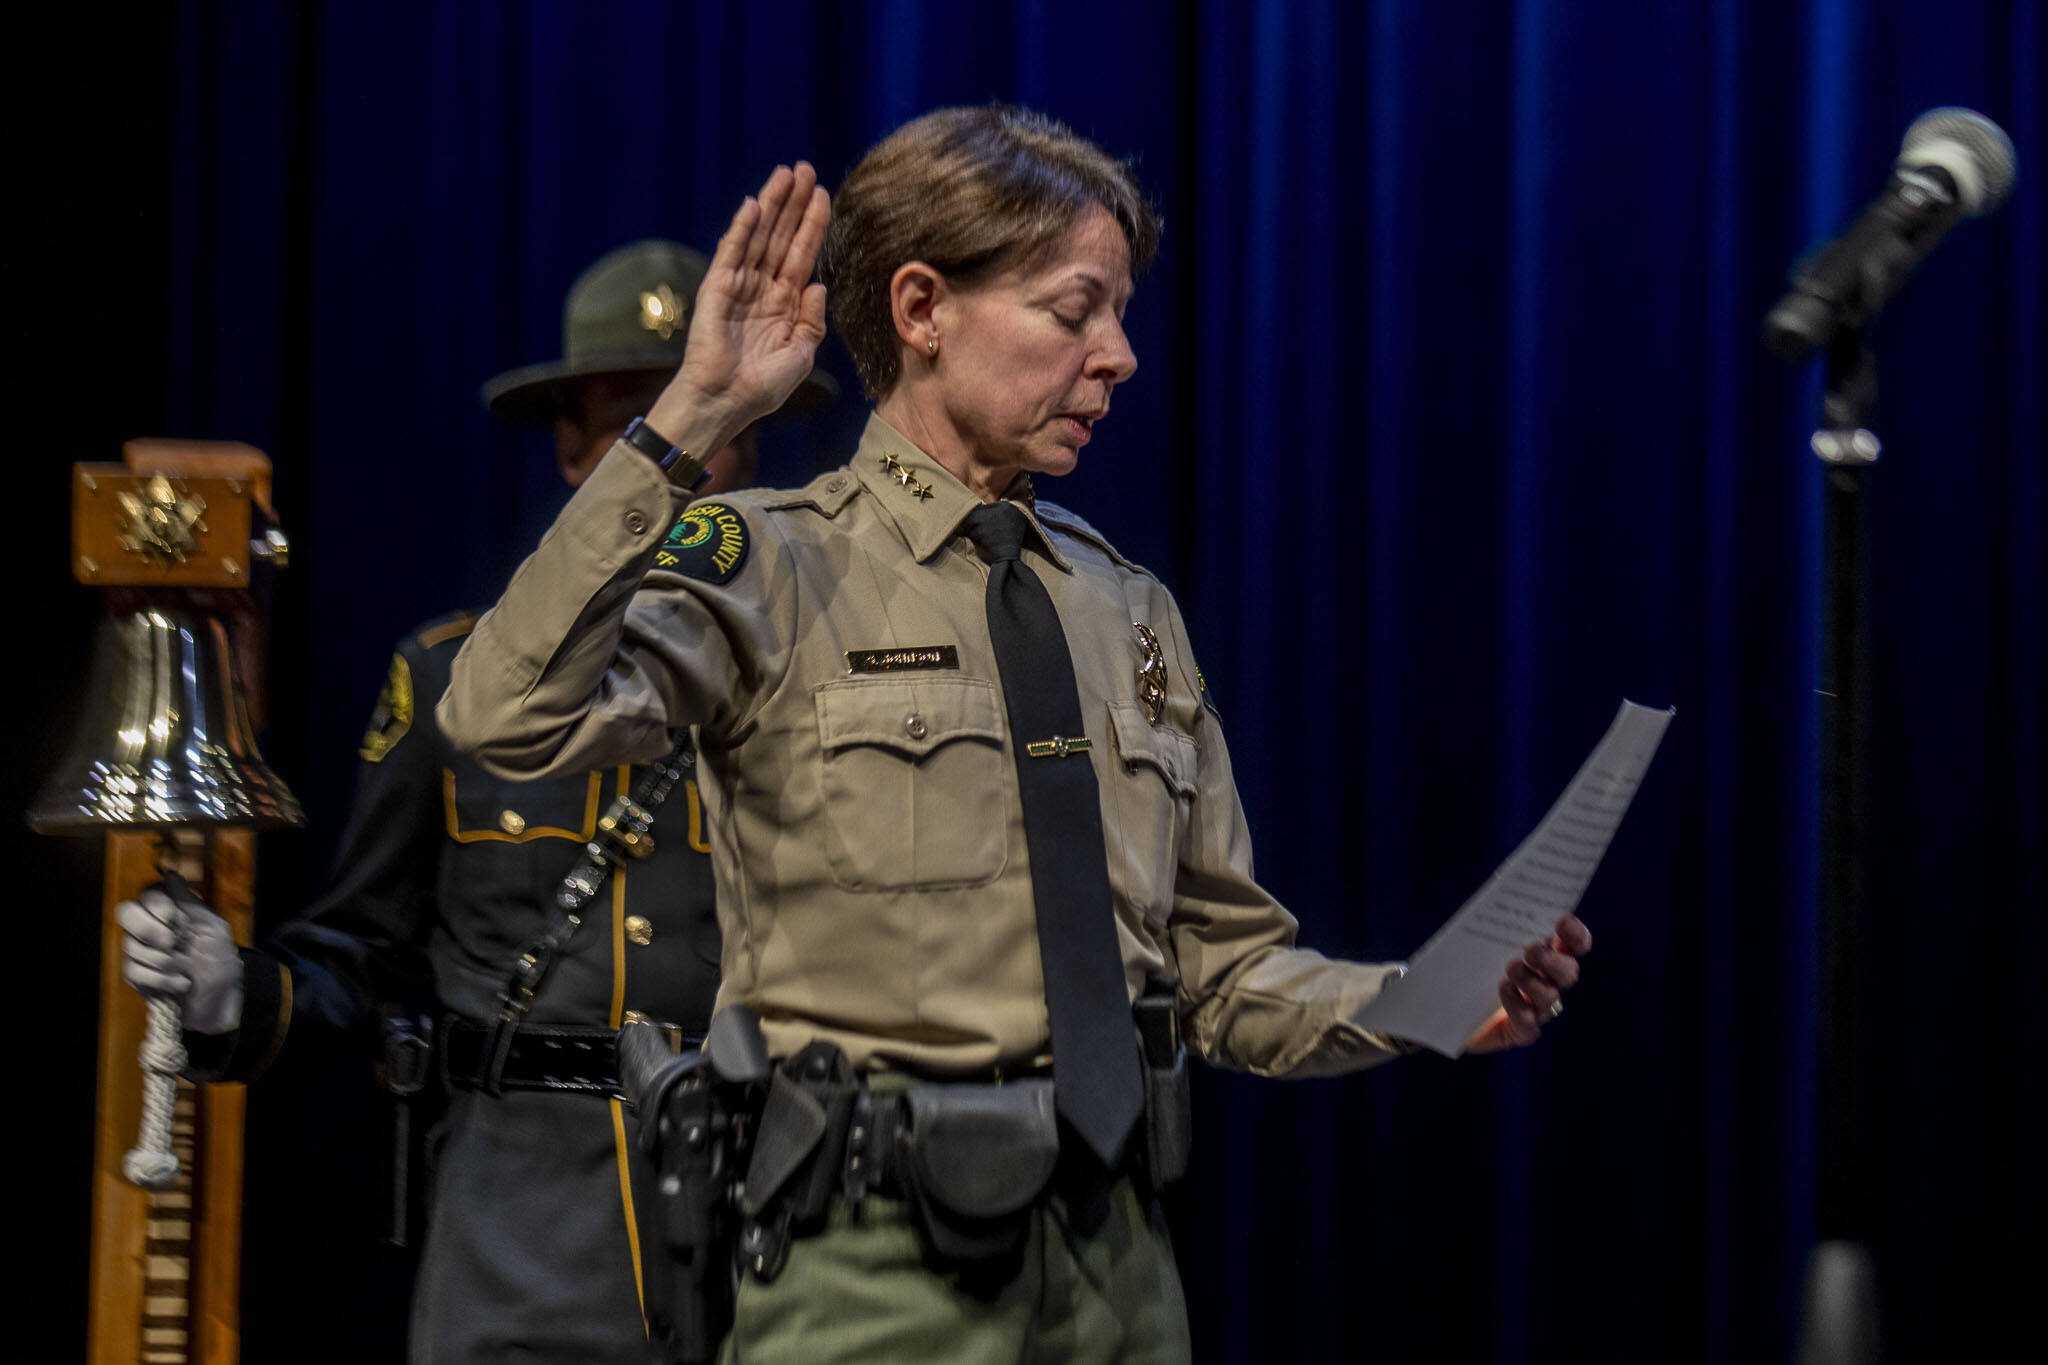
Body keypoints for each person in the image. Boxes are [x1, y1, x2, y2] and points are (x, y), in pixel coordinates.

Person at [438, 107, 1591, 1362]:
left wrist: (1422, 1000)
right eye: (1073, 310)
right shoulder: (767, 564)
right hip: (870, 1277)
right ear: (923, 308)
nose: (1120, 357)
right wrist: (691, 416)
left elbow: (1222, 972)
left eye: (1119, 314)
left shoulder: (1122, 606)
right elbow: (502, 712)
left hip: (1118, 1272)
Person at [117, 238, 834, 1363]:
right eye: (631, 427)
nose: (679, 461)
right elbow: (363, 955)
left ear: (750, 455)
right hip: (523, 1234)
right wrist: (231, 994)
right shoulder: (453, 678)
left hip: (781, 1221)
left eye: (709, 426)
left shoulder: (821, 683)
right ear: (571, 450)